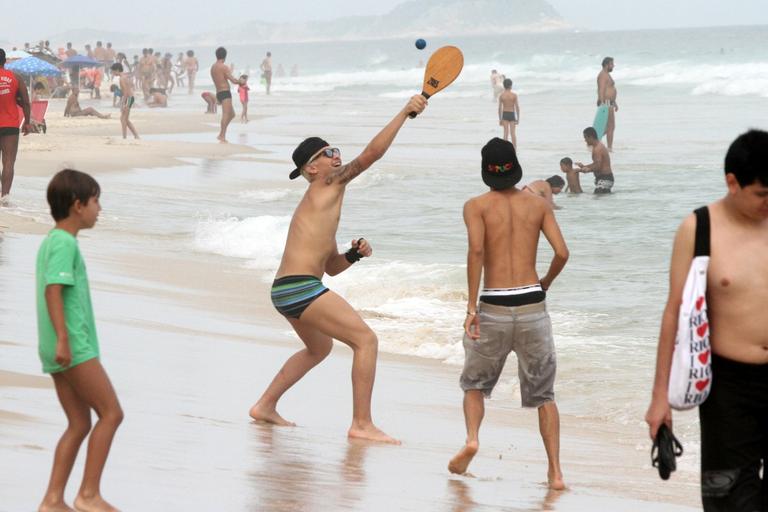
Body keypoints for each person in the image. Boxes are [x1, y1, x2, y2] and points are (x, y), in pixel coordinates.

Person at [248, 94, 428, 443]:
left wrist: (354, 254)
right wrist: (404, 113)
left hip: (287, 289)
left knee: (320, 348)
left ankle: (265, 405)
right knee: (366, 340)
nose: (337, 156)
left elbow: (330, 267)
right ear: (312, 169)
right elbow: (372, 155)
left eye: (336, 149)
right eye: (328, 153)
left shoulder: (322, 203)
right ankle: (361, 424)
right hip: (299, 287)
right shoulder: (326, 184)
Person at [645, 130, 768, 511]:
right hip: (728, 386)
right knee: (730, 497)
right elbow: (674, 313)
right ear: (732, 182)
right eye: (762, 194)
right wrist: (659, 397)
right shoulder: (699, 229)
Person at [448, 137, 569, 490]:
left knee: (474, 384)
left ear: (486, 171)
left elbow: (476, 252)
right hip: (533, 306)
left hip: (495, 307)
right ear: (516, 167)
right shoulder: (539, 205)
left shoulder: (475, 206)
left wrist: (472, 308)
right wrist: (544, 282)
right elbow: (562, 253)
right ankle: (556, 474)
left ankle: (472, 439)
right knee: (544, 396)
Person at [35, 169, 123, 512]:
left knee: (79, 422)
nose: (99, 209)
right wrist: (63, 340)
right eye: (96, 201)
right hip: (72, 346)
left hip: (61, 344)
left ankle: (52, 500)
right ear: (77, 206)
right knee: (111, 413)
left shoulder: (53, 240)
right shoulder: (63, 243)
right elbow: (53, 290)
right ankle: (88, 495)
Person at [0, 49, 31, 201]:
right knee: (8, 161)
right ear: (4, 61)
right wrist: (28, 122)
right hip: (10, 125)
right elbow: (25, 101)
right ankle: (4, 197)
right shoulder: (15, 77)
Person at [210, 47, 241, 143]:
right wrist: (241, 81)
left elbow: (221, 77)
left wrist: (230, 70)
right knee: (226, 114)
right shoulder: (224, 67)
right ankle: (222, 135)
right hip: (225, 92)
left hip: (219, 92)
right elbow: (233, 81)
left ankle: (221, 133)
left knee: (232, 114)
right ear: (225, 56)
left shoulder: (213, 67)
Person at [575, 127, 613, 194]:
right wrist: (583, 166)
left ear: (591, 137)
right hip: (603, 179)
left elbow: (598, 166)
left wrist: (585, 170)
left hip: (605, 179)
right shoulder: (597, 147)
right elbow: (596, 164)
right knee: (602, 200)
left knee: (597, 198)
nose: (585, 140)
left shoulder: (597, 149)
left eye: (585, 138)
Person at [110, 63, 139, 139]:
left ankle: (127, 137)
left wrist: (123, 103)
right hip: (130, 98)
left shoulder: (122, 78)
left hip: (128, 99)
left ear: (117, 70)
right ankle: (133, 136)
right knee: (124, 119)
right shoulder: (125, 76)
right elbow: (130, 87)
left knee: (124, 119)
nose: (113, 73)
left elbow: (125, 92)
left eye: (113, 71)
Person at [597, 57, 618, 151]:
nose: (613, 66)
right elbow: (601, 90)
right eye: (611, 64)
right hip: (606, 103)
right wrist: (602, 102)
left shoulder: (606, 75)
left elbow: (610, 89)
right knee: (610, 126)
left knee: (609, 126)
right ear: (606, 65)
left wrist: (614, 102)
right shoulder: (602, 75)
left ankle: (596, 142)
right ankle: (608, 147)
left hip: (609, 103)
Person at [498, 78, 520, 148]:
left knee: (505, 133)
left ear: (504, 86)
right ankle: (514, 149)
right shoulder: (514, 95)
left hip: (505, 114)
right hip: (512, 114)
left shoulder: (501, 95)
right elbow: (517, 107)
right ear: (511, 86)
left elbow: (499, 108)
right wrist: (518, 119)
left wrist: (500, 119)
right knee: (513, 133)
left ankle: (504, 149)